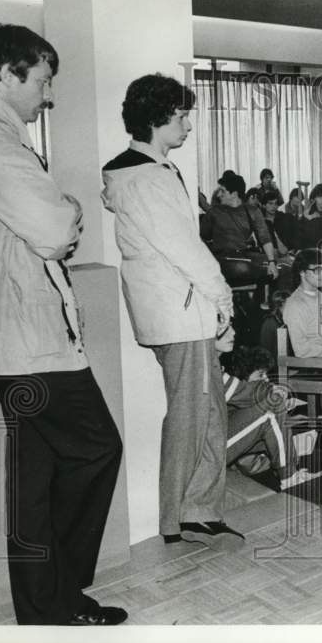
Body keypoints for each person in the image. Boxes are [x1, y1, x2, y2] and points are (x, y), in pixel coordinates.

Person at [0, 24, 125, 625]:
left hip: (3, 336)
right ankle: (62, 591)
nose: (48, 95)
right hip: (22, 338)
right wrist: (68, 208)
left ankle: (46, 608)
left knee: (35, 476)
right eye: (42, 81)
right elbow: (52, 229)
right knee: (97, 449)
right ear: (10, 73)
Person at [102, 73, 243, 555]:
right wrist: (224, 298)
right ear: (155, 119)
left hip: (179, 312)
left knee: (206, 412)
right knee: (191, 415)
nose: (186, 124)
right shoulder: (143, 177)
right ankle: (177, 515)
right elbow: (186, 249)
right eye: (180, 116)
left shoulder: (148, 172)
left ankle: (198, 510)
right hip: (180, 314)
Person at [221, 343, 309, 490]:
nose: (266, 379)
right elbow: (248, 464)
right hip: (211, 448)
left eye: (266, 375)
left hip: (220, 443)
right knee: (271, 409)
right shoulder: (208, 367)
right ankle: (290, 478)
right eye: (260, 375)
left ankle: (291, 474)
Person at [198, 170, 279, 288]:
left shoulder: (253, 211)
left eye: (223, 191)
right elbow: (201, 238)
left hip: (245, 256)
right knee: (242, 268)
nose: (219, 194)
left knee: (284, 265)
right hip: (224, 259)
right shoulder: (213, 213)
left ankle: (266, 302)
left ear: (234, 194)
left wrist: (272, 262)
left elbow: (265, 238)